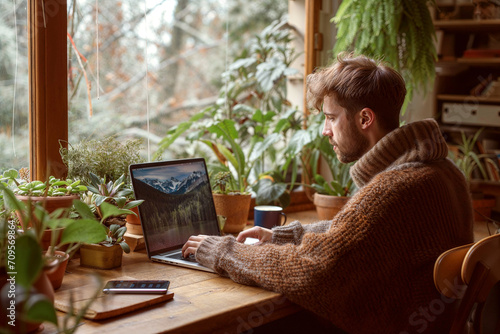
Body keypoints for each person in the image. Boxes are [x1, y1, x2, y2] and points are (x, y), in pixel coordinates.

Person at [182, 53, 474, 333]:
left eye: (331, 117)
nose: (325, 130)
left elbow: (313, 270)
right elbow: (355, 233)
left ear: (365, 119)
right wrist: (284, 235)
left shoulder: (396, 189)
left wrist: (223, 250)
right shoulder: (443, 172)